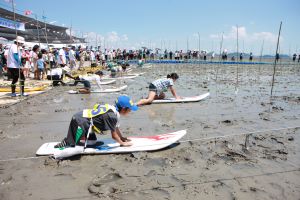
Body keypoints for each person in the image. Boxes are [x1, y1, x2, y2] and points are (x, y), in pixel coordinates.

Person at [54, 95, 138, 148]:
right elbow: (114, 135)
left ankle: (74, 139)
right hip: (79, 121)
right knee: (76, 145)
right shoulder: (112, 116)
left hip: (85, 120)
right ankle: (67, 141)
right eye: (129, 109)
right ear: (123, 109)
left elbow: (115, 127)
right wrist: (122, 143)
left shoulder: (112, 109)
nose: (130, 111)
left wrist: (122, 138)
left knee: (93, 141)